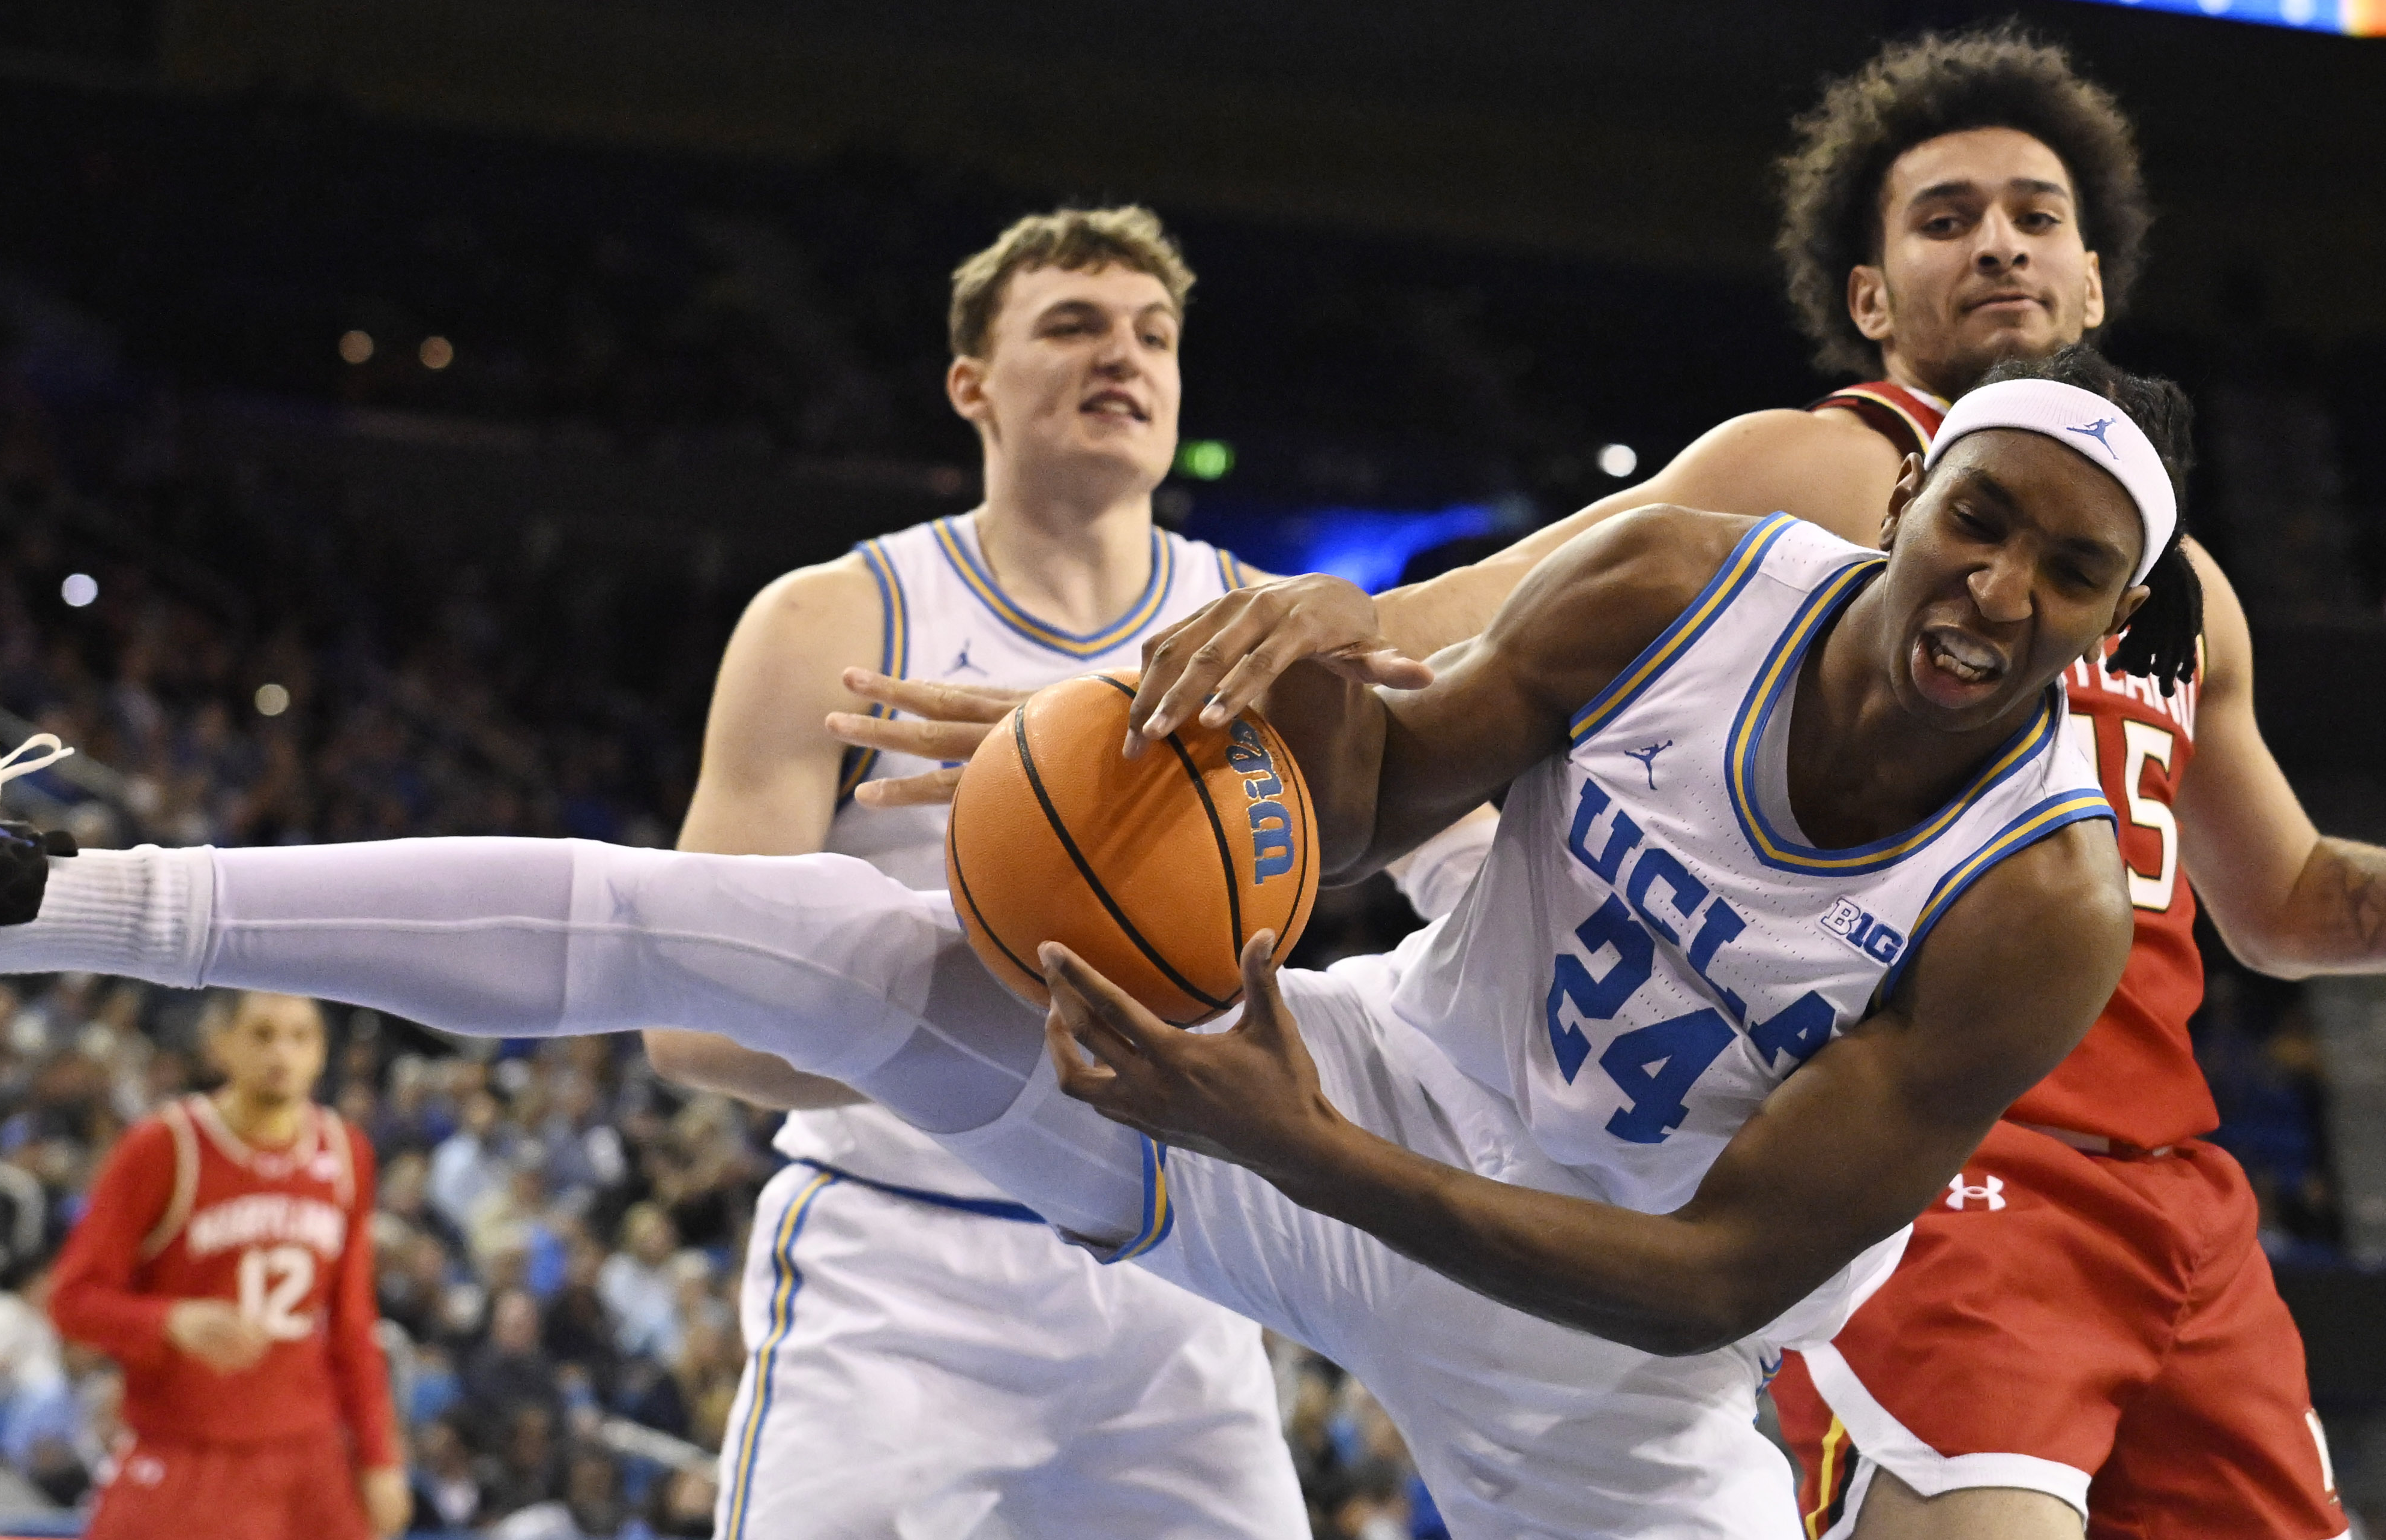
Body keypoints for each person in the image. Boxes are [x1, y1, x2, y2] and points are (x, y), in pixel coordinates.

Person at [0, 340, 2195, 1535]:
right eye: (1972, 516)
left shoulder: (2034, 907)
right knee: (791, 928)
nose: (1991, 586)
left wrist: (1289, 1138)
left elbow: (1701, 1275)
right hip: (1343, 1091)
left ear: (2107, 621)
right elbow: (1371, 811)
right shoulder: (1684, 577)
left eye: (2060, 573)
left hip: (1606, 1374)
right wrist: (1216, 692)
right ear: (1913, 499)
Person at [928, 29, 2343, 1539]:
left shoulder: (2177, 584)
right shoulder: (1803, 466)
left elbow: (2280, 900)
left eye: (2033, 213)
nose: (1996, 240)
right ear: (1867, 301)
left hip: (2171, 1185)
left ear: (2093, 282)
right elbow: (1450, 621)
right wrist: (1101, 714)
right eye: (1942, 219)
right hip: (1925, 1159)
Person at [640, 205, 1301, 1539]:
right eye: (1070, 324)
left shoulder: (1260, 632)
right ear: (969, 385)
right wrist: (996, 1036)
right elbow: (691, 1015)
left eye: (1152, 334)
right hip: (899, 1260)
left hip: (1172, 1256)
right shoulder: (833, 616)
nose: (1121, 354)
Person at [44, 992, 408, 1540]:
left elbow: (354, 1326)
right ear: (221, 1044)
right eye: (262, 1034)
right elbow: (72, 1300)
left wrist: (380, 1458)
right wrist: (170, 1321)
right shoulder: (165, 1146)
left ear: (321, 1053)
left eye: (299, 1036)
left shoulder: (346, 1150)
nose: (281, 1052)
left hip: (310, 1453)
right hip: (189, 1447)